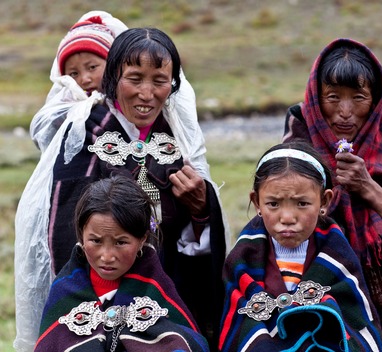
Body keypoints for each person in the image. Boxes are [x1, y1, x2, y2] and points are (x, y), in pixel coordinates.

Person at [15, 27, 229, 352]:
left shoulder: (174, 140)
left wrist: (200, 209)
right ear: (113, 77)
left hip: (162, 294)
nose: (147, 93)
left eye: (159, 81)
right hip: (96, 294)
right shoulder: (85, 134)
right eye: (135, 78)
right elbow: (64, 233)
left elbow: (190, 239)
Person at [282, 38, 382, 352]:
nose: (345, 113)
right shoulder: (293, 152)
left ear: (375, 101)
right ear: (316, 100)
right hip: (313, 312)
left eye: (358, 98)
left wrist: (369, 189)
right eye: (333, 97)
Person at [219, 141, 382, 351]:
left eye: (302, 203)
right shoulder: (242, 260)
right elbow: (240, 327)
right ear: (256, 202)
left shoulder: (338, 258)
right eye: (273, 204)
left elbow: (355, 326)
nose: (287, 218)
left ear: (324, 202)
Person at [34, 175, 210, 352]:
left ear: (142, 239)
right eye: (95, 241)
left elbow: (187, 344)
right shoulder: (65, 292)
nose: (107, 256)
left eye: (120, 242)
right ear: (81, 234)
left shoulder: (158, 292)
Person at [30, 10, 128, 153]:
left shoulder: (130, 99)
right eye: (74, 73)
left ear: (112, 63)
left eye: (92, 67)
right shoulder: (66, 104)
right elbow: (43, 135)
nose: (85, 79)